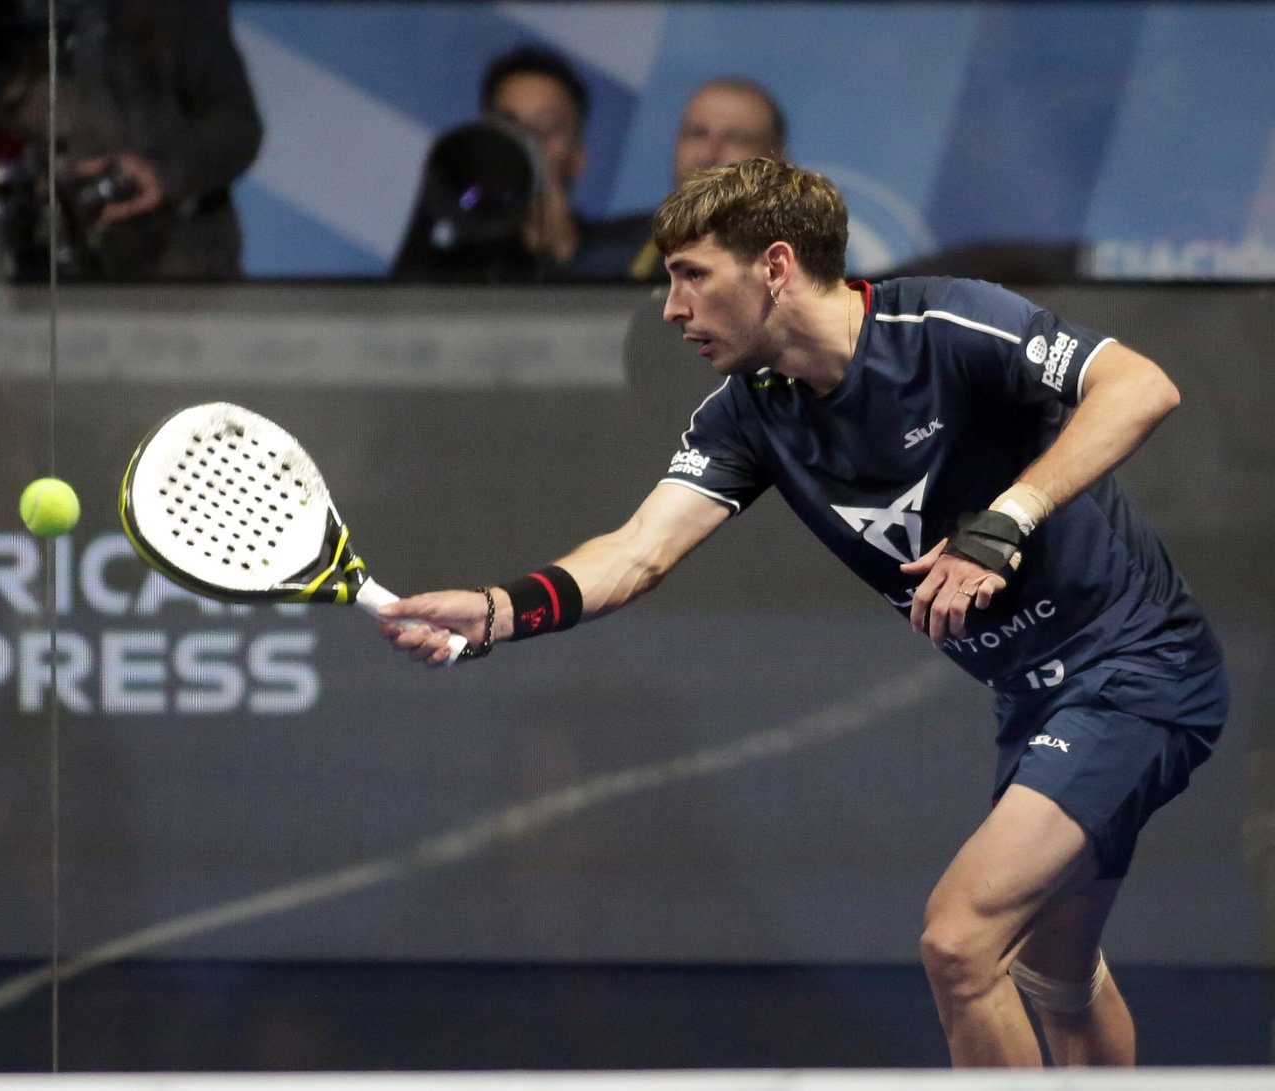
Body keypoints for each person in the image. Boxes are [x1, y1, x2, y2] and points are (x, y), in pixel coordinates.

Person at [377, 158, 1227, 1068]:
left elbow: (1140, 386)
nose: (672, 309)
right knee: (1054, 966)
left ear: (775, 267)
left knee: (960, 942)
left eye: (692, 275)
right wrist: (499, 610)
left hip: (1136, 666)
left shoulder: (949, 324)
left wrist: (1006, 519)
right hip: (1032, 697)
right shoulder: (747, 416)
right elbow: (637, 551)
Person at [0, 0, 262, 280]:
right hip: (14, 282)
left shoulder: (173, 11)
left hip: (160, 276)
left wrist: (159, 174)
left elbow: (235, 124)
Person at [392, 45, 603, 282]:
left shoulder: (623, 257)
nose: (527, 142)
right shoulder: (448, 269)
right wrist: (438, 194)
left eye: (546, 128)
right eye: (508, 126)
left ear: (578, 159)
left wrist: (567, 253)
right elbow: (398, 303)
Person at [585, 77, 788, 281]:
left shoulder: (801, 261)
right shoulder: (608, 252)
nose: (708, 154)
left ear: (777, 158)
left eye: (734, 138)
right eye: (697, 134)